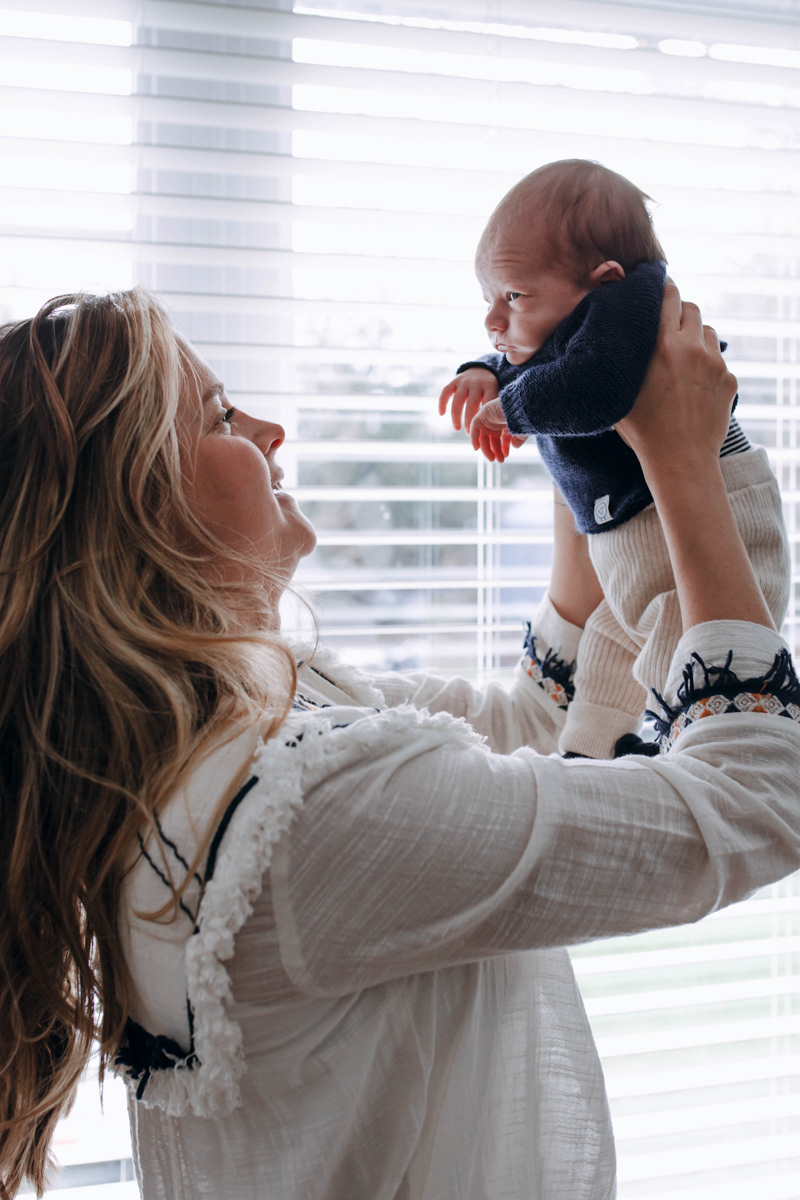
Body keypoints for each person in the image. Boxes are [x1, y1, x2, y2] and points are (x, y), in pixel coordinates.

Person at [1, 285, 800, 1200]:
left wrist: (580, 445)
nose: (271, 430)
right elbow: (753, 801)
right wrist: (689, 468)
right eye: (220, 416)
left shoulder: (242, 728)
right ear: (136, 507)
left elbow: (540, 725)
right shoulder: (302, 810)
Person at [438, 160, 790, 758]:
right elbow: (536, 360)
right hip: (639, 540)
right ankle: (586, 755)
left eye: (513, 296)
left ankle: (677, 750)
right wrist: (484, 371)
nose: (493, 320)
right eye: (488, 299)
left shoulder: (628, 306)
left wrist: (512, 408)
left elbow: (597, 386)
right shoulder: (573, 322)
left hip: (721, 517)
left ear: (602, 280)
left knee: (678, 653)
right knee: (608, 647)